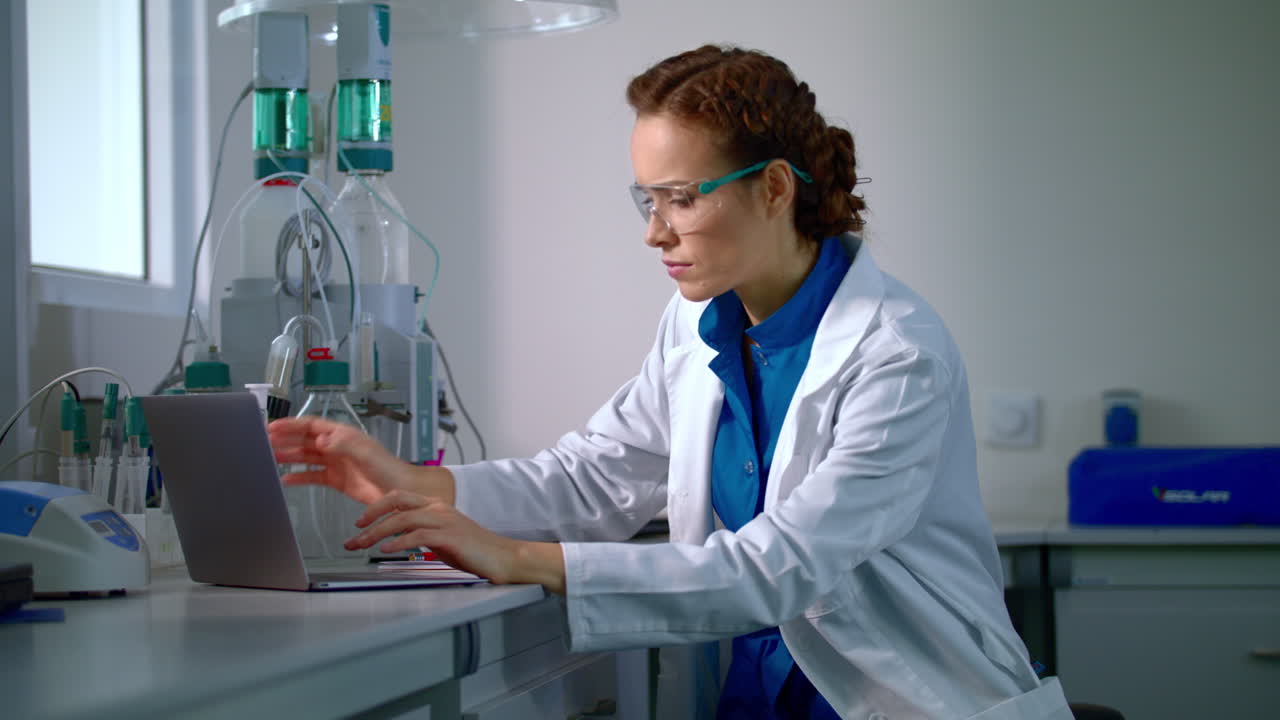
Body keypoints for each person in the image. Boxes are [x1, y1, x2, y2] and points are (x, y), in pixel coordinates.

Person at [269, 45, 1072, 719]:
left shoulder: (897, 355)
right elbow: (598, 475)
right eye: (646, 200)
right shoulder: (697, 322)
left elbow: (778, 567)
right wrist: (422, 488)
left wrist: (523, 558)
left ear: (776, 187)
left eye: (681, 199)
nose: (655, 232)